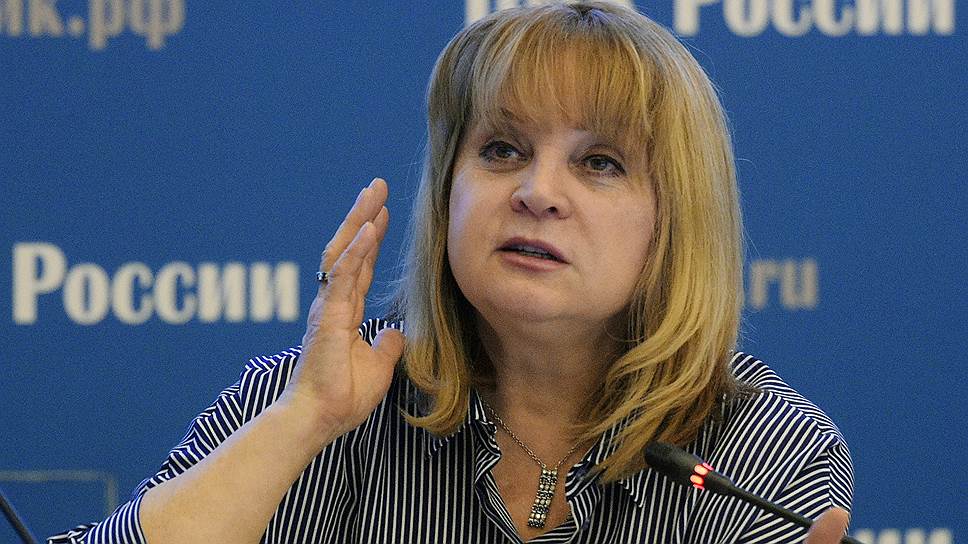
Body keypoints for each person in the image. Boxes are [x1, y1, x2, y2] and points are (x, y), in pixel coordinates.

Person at [51, 2, 853, 543]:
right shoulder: (301, 402)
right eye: (501, 149)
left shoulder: (763, 454)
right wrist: (305, 421)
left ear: (673, 225)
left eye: (600, 163)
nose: (537, 192)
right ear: (446, 194)